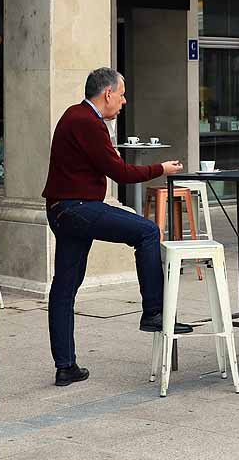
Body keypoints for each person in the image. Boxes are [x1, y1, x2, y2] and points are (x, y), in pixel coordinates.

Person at [42, 67, 189, 387]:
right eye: (121, 95)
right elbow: (118, 171)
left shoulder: (76, 117)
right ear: (107, 93)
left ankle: (65, 366)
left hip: (64, 209)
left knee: (64, 288)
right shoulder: (87, 122)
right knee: (148, 232)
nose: (123, 102)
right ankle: (154, 311)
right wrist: (160, 168)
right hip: (77, 208)